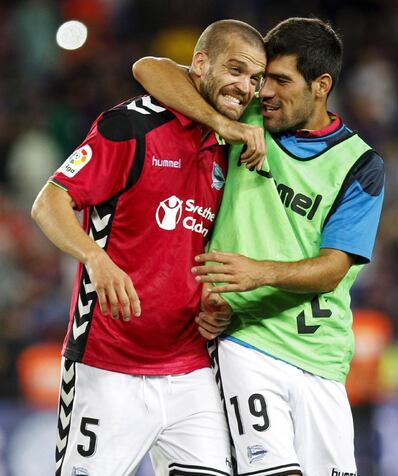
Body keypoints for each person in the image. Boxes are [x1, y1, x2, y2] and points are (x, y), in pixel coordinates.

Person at [132, 17, 385, 476]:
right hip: (244, 339)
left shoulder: (360, 165)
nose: (263, 92)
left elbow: (332, 269)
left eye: (281, 81)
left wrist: (259, 272)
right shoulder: (244, 117)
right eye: (262, 79)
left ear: (321, 85)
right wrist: (219, 124)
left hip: (321, 355)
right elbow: (149, 68)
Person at [31, 19, 266, 476]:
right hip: (107, 365)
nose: (246, 87)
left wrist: (217, 303)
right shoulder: (129, 127)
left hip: (192, 370)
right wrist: (95, 258)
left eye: (255, 79)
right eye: (236, 70)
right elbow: (48, 202)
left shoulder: (231, 144)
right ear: (199, 64)